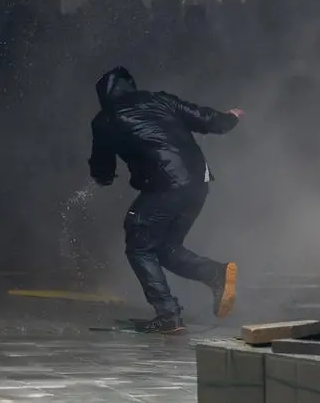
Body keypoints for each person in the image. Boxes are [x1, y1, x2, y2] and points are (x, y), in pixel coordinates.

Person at [88, 66, 244, 334]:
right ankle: (215, 274)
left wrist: (103, 178)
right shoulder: (158, 99)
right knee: (165, 247)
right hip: (198, 181)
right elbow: (205, 119)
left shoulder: (105, 120)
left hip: (165, 185)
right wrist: (230, 117)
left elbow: (102, 167)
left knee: (139, 242)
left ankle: (168, 314)